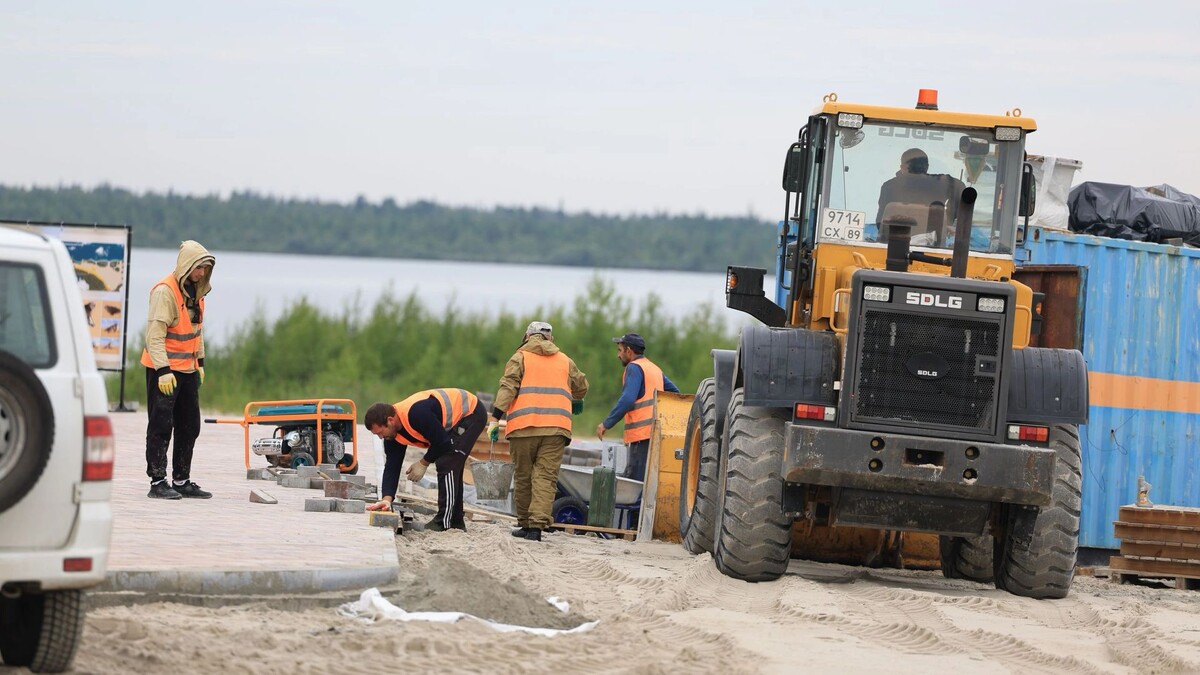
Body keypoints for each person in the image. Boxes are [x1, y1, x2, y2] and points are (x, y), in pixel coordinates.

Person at [488, 321, 588, 542]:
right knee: (545, 477)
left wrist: (495, 418)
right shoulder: (565, 360)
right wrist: (578, 399)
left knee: (524, 475)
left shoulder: (520, 357)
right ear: (550, 338)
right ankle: (536, 528)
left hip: (523, 428)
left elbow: (508, 387)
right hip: (556, 430)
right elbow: (581, 385)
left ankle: (524, 523)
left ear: (527, 336)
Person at [140, 240, 216, 500]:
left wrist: (201, 362)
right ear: (187, 266)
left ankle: (181, 480)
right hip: (164, 371)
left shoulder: (197, 293)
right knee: (161, 424)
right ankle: (158, 481)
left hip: (187, 370)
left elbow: (197, 330)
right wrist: (162, 370)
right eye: (199, 268)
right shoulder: (165, 292)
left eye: (206, 269)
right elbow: (154, 336)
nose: (202, 273)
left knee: (190, 425)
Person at [363, 388, 487, 532]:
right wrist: (386, 499)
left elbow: (443, 443)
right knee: (451, 462)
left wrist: (424, 462)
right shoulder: (392, 435)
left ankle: (444, 522)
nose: (380, 437)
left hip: (471, 412)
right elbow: (392, 466)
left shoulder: (416, 414)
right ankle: (456, 520)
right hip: (454, 422)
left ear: (390, 421)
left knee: (447, 461)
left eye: (380, 432)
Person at [596, 332, 679, 481]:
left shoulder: (634, 368)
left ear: (629, 351)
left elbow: (627, 399)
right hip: (655, 433)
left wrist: (606, 423)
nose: (618, 355)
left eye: (620, 350)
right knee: (648, 482)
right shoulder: (654, 368)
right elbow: (675, 393)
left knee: (636, 483)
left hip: (640, 436)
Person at [876, 147, 966, 244]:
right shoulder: (942, 183)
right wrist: (948, 221)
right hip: (933, 246)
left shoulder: (889, 186)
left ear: (902, 167)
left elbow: (880, 223)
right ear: (927, 167)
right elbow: (960, 188)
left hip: (892, 245)